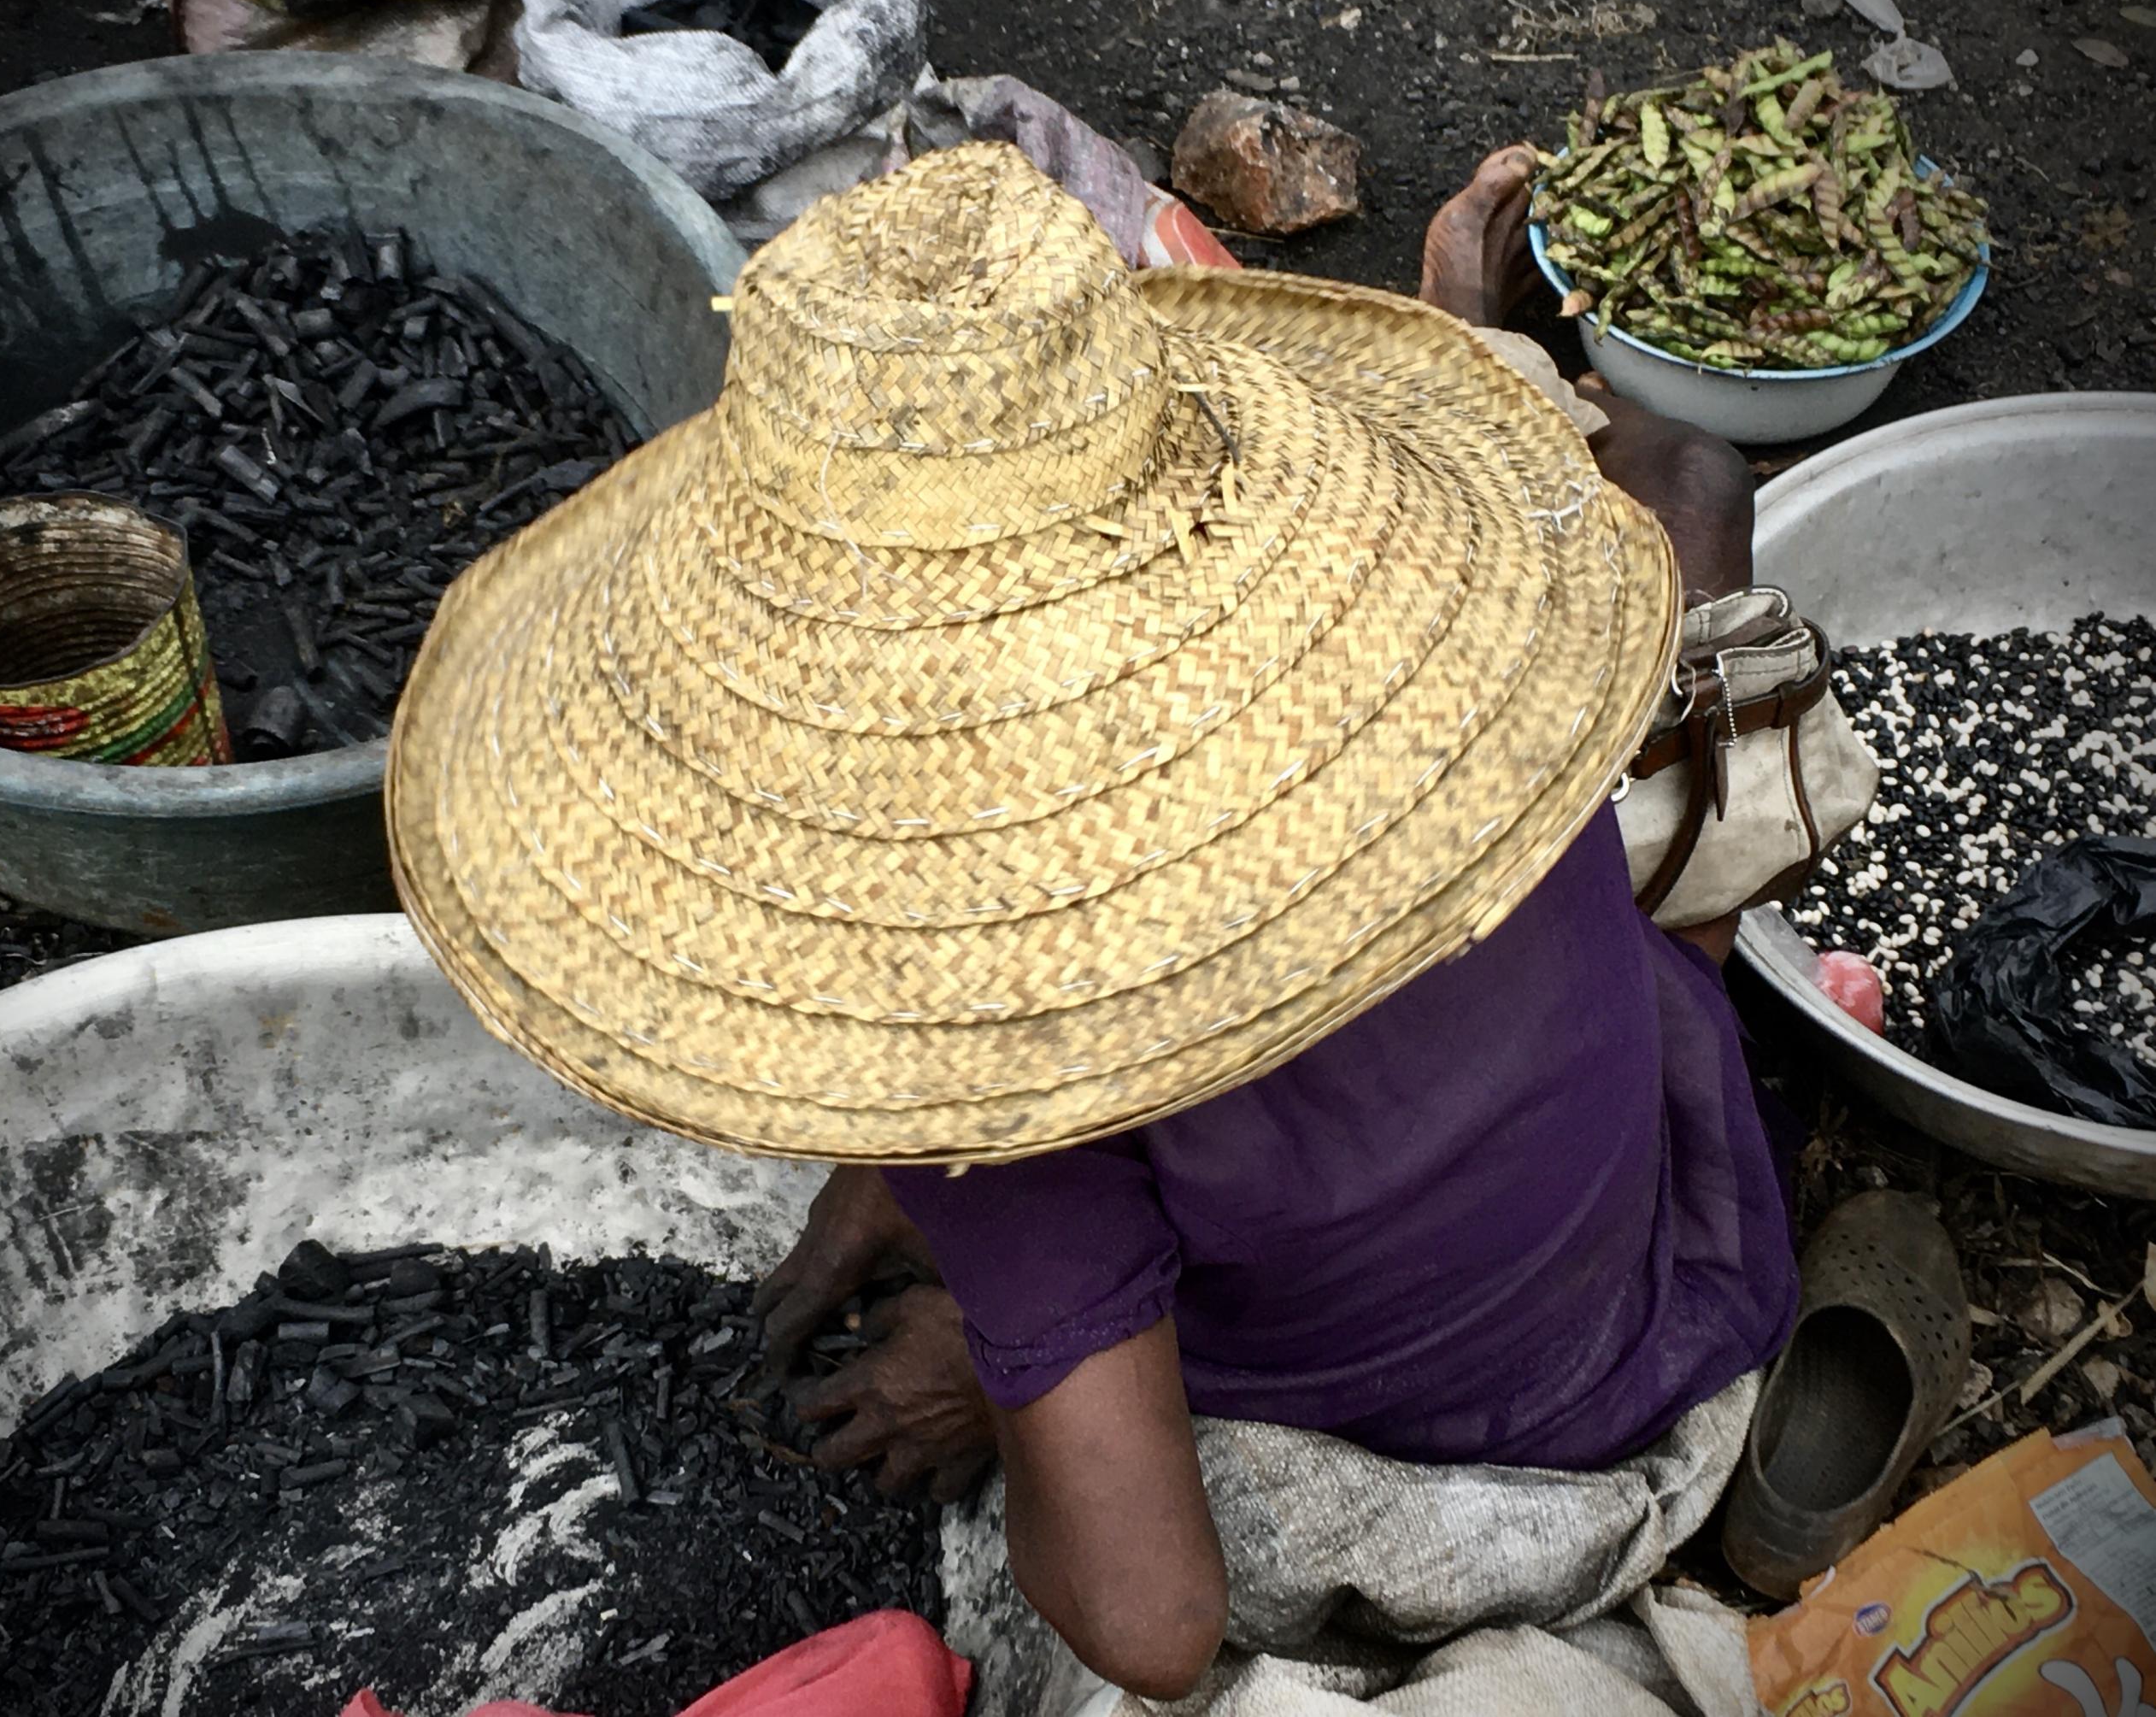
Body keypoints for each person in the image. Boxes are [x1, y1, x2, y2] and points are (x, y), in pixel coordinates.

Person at [385, 142, 1798, 1704]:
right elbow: (1687, 493)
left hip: (1478, 1488)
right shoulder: (1462, 661)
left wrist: (999, 1370)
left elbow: (1153, 1622)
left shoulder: (988, 1070)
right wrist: (902, 1179)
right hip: (1686, 1241)